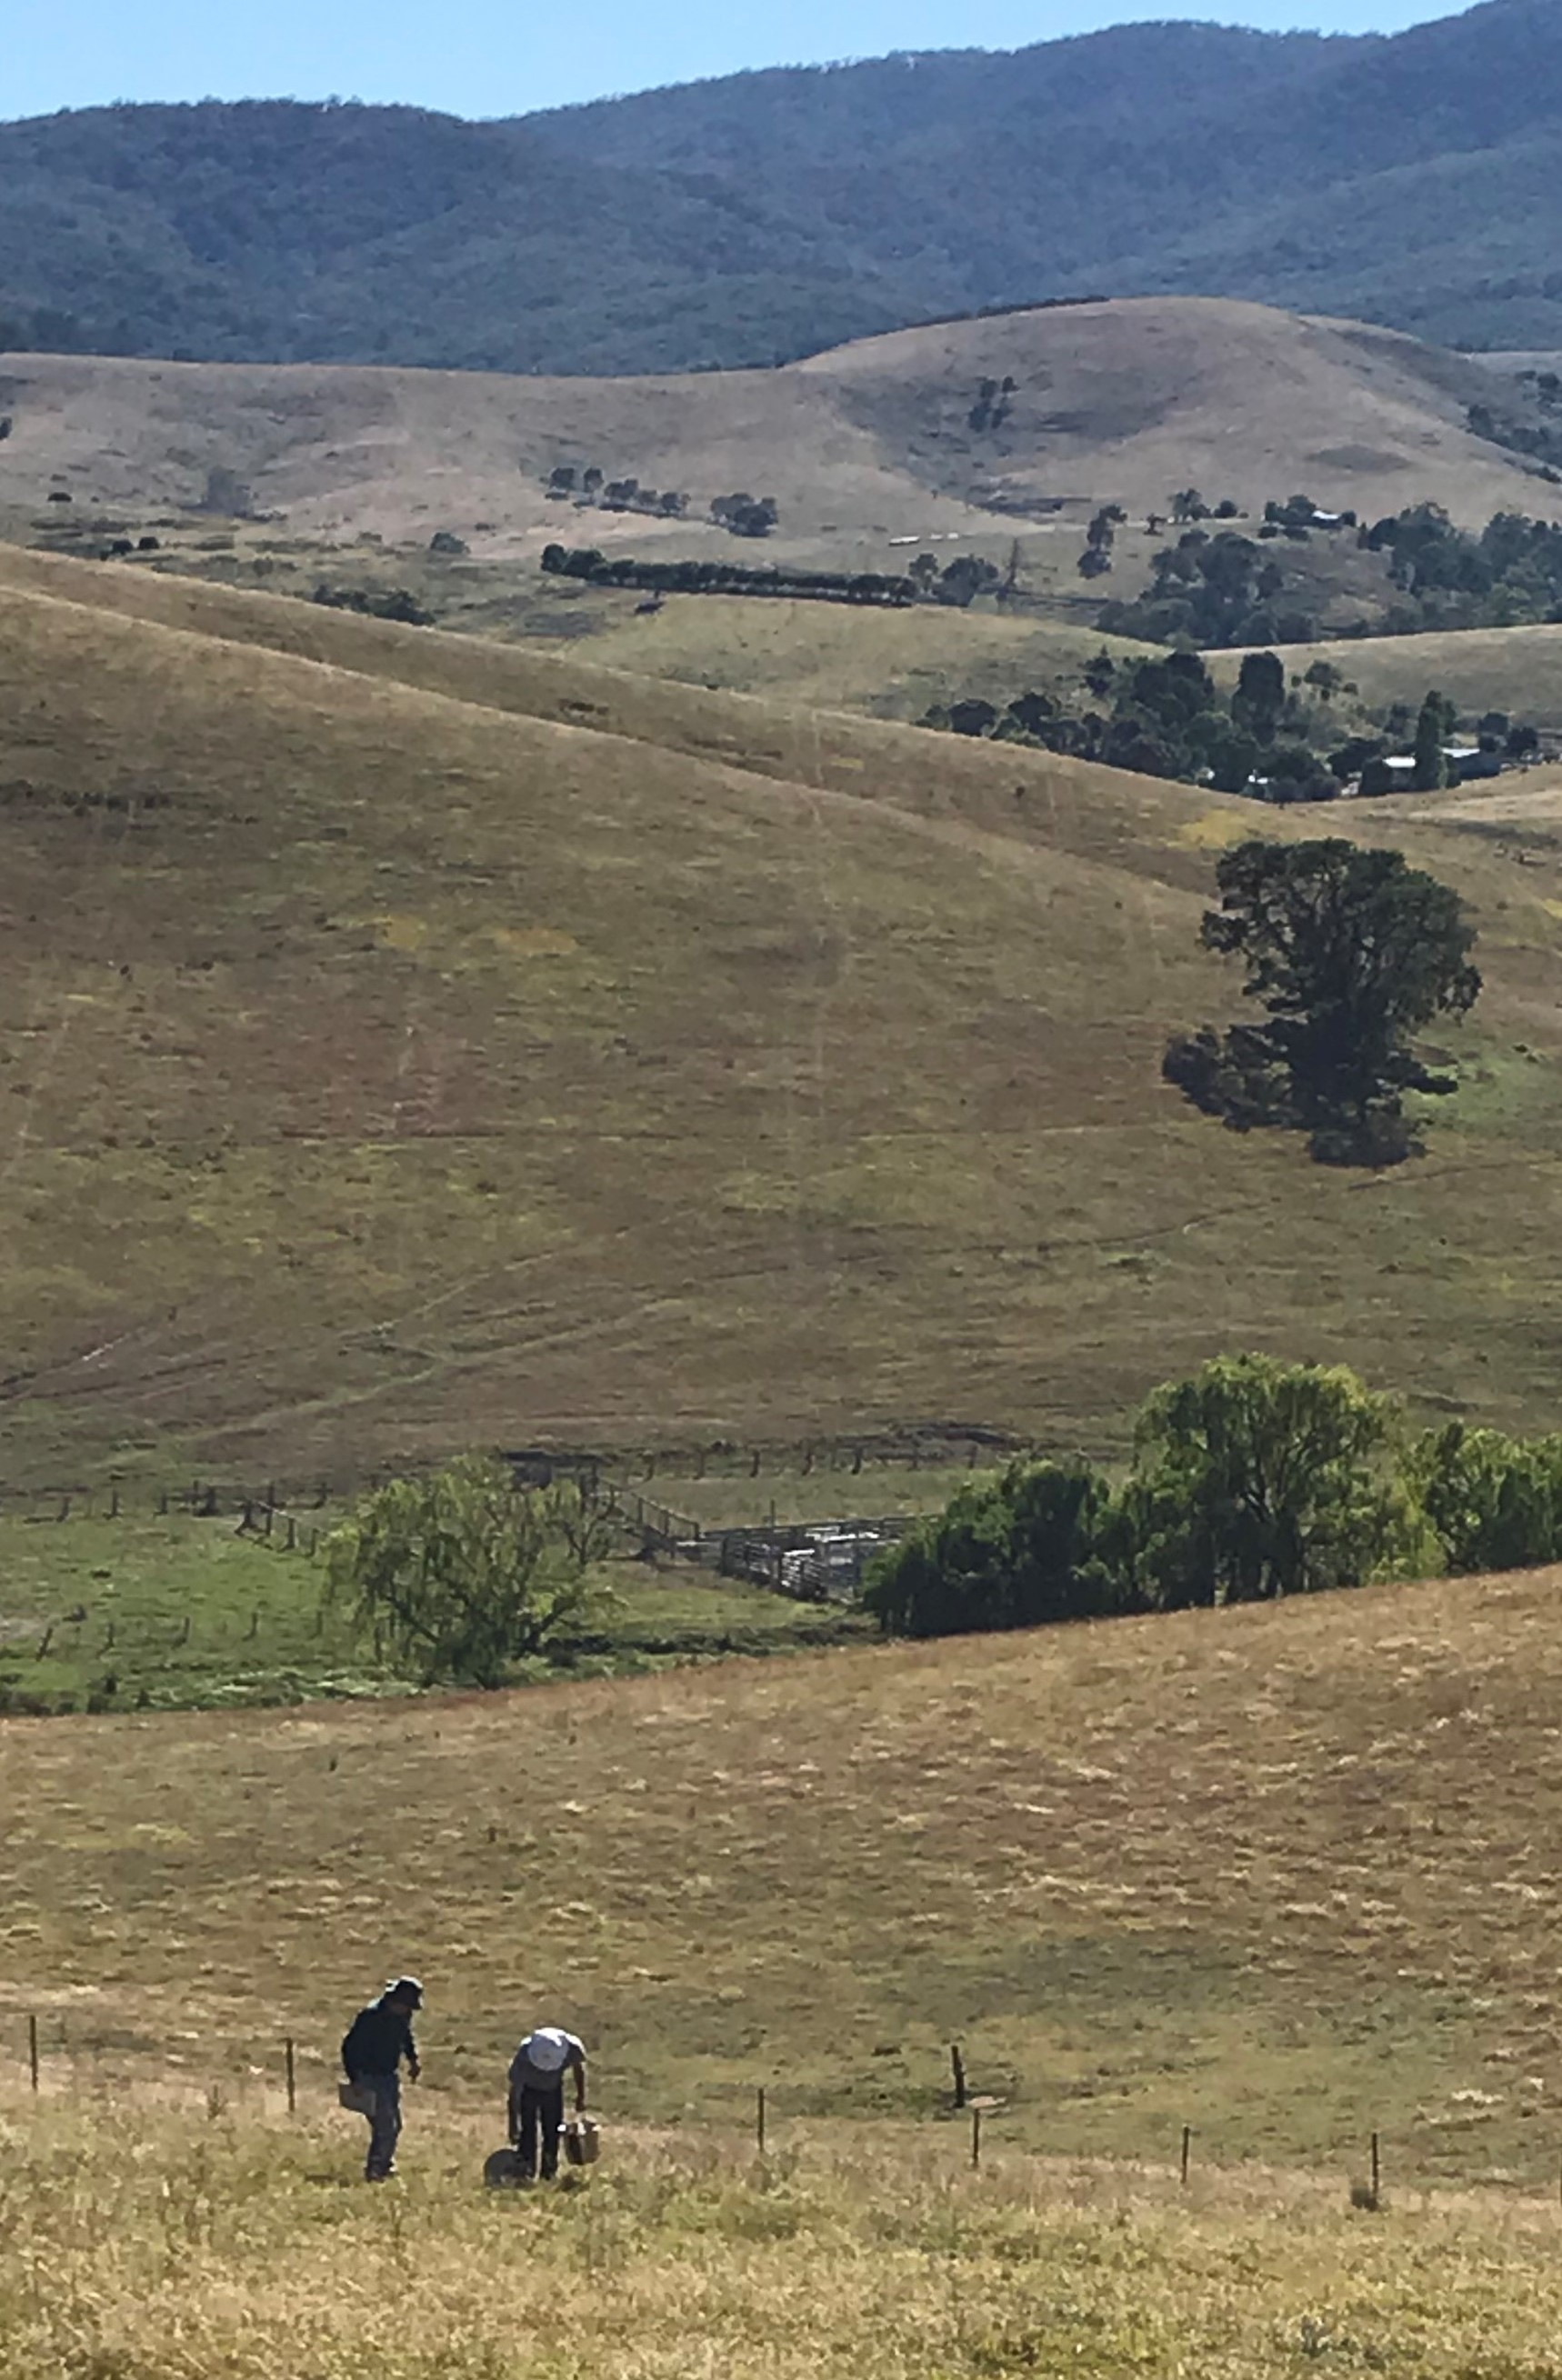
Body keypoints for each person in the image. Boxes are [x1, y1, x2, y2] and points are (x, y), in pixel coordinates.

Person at [341, 1975, 423, 2181]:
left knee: (395, 2125)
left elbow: (406, 2037)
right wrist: (355, 2079)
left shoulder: (402, 2017)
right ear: (396, 2001)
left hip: (389, 2077)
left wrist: (413, 2060)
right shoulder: (370, 2018)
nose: (409, 2012)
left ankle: (384, 2164)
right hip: (368, 2077)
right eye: (407, 2006)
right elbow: (349, 2049)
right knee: (385, 2126)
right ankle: (376, 2170)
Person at [507, 2024, 586, 2182]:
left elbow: (579, 2069)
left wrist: (581, 2096)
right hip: (528, 2092)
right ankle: (525, 2172)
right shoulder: (523, 2055)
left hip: (553, 2091)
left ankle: (548, 2174)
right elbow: (515, 2093)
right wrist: (513, 2125)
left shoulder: (572, 2048)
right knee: (527, 2132)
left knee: (553, 2132)